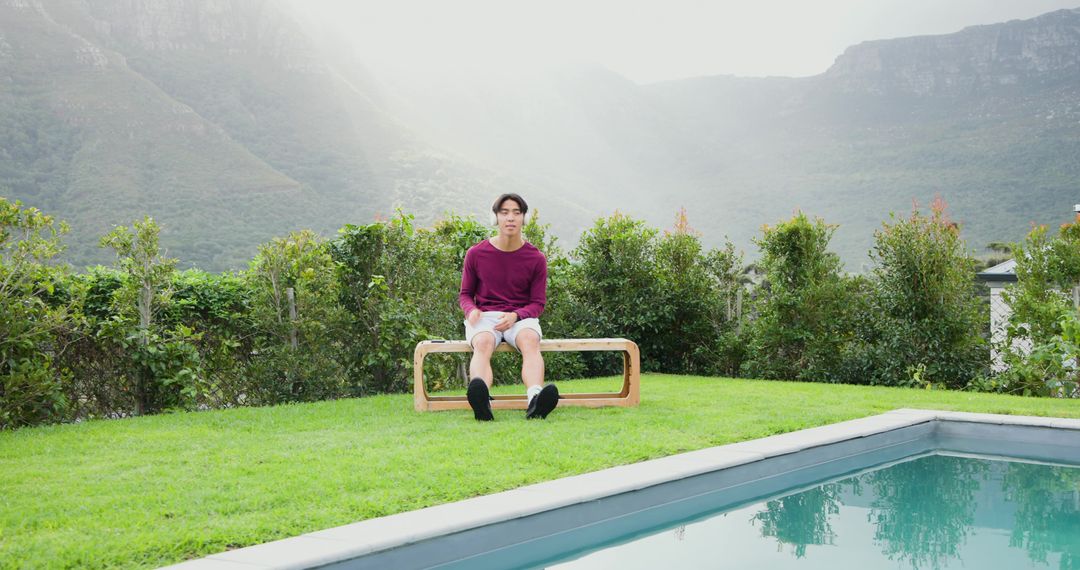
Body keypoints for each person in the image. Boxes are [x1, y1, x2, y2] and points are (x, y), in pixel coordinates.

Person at [459, 193, 558, 421]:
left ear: (524, 218)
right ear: (496, 218)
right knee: (483, 343)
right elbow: (465, 294)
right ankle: (482, 404)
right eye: (504, 213)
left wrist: (516, 315)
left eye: (516, 212)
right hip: (485, 317)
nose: (510, 218)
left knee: (530, 340)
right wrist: (471, 310)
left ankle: (535, 400)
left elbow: (538, 303)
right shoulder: (476, 254)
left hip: (520, 317)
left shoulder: (536, 258)